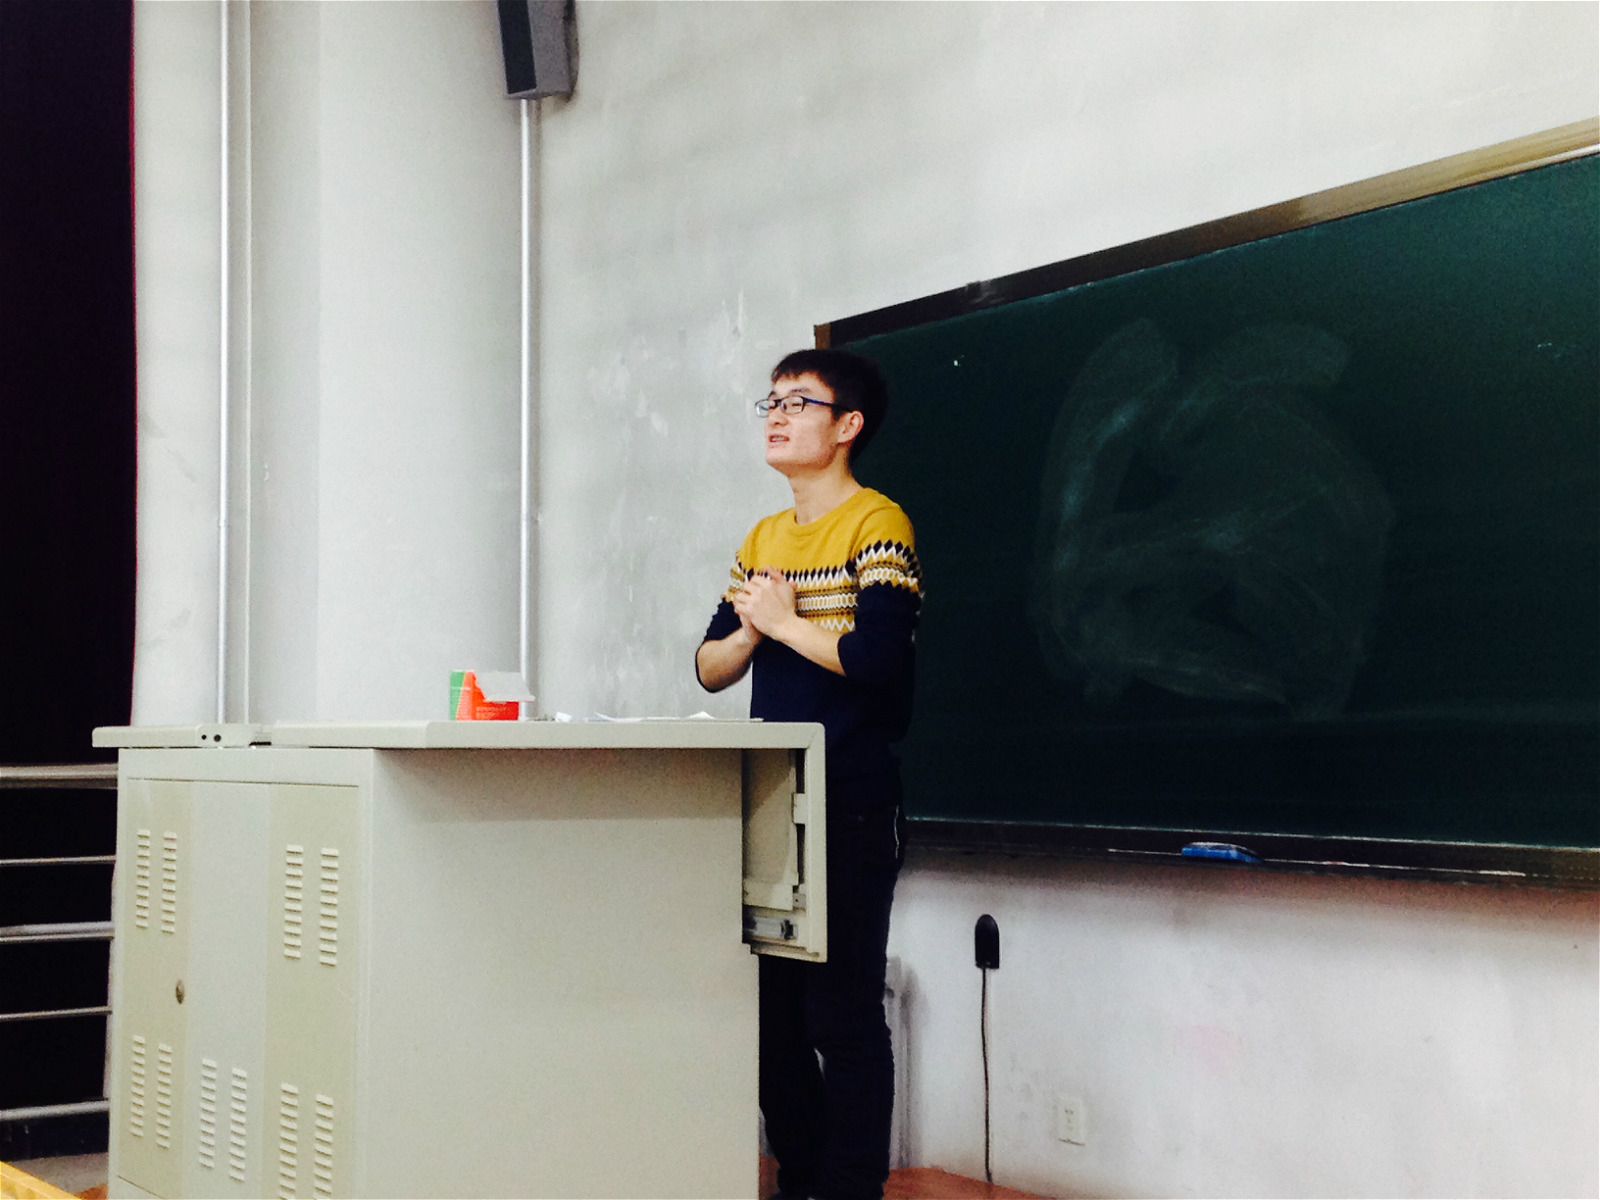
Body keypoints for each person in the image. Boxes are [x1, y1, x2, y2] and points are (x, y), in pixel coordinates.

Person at [696, 348, 922, 1200]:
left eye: (799, 402)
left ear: (847, 425)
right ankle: (803, 1175)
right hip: (771, 801)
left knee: (844, 1014)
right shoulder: (763, 538)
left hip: (851, 800)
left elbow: (876, 660)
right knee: (772, 1021)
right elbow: (709, 667)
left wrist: (784, 624)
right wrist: (756, 629)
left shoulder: (878, 524)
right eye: (772, 402)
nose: (778, 416)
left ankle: (851, 1188)